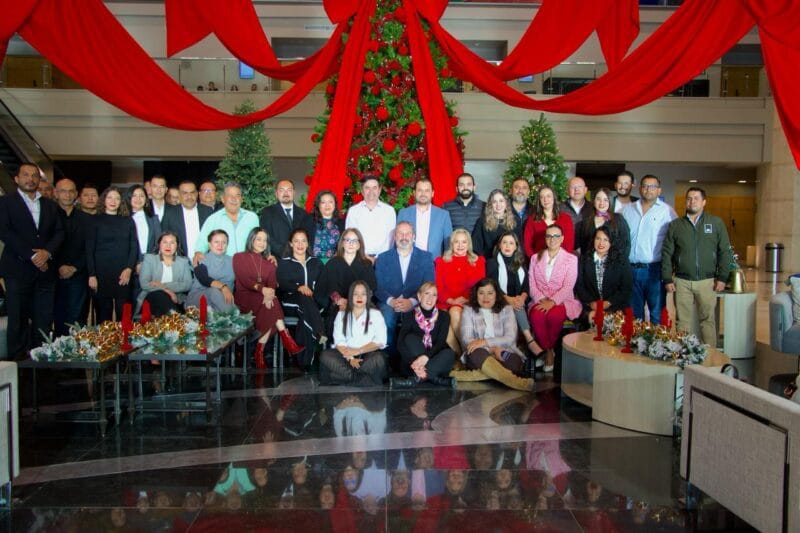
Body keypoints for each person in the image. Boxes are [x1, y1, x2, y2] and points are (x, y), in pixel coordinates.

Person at [0, 162, 64, 358]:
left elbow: (59, 232)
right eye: (26, 175)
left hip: (45, 271)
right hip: (17, 270)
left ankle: (41, 360)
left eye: (34, 175)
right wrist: (33, 255)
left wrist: (47, 252)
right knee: (18, 319)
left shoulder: (50, 205)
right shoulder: (5, 203)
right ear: (16, 179)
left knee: (43, 319)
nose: (30, 179)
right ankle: (18, 363)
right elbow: (5, 232)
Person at [662, 187, 732, 344]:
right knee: (682, 321)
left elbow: (725, 251)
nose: (692, 201)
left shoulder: (715, 223)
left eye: (696, 198)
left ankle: (710, 354)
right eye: (689, 198)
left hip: (707, 281)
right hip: (682, 281)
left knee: (707, 320)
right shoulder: (675, 225)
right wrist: (667, 278)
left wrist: (722, 277)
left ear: (704, 202)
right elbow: (667, 253)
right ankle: (683, 352)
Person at [233, 228, 304, 369]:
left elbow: (272, 285)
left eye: (265, 240)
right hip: (245, 297)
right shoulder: (239, 257)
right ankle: (286, 340)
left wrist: (269, 294)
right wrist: (263, 290)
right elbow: (244, 280)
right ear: (251, 239)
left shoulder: (269, 263)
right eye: (258, 239)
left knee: (272, 305)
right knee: (273, 306)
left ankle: (259, 351)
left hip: (264, 299)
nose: (262, 243)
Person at [459, 278, 534, 391]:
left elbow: (510, 338)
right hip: (479, 352)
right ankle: (518, 383)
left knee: (514, 363)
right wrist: (491, 350)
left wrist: (486, 342)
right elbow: (466, 338)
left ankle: (475, 376)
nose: (486, 297)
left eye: (490, 293)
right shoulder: (468, 310)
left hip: (503, 350)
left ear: (496, 294)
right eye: (481, 293)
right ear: (476, 294)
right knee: (476, 353)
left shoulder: (507, 309)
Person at [621, 174, 677, 324]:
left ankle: (657, 341)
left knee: (657, 315)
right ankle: (634, 340)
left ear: (659, 190)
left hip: (654, 270)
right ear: (640, 189)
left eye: (652, 186)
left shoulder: (667, 212)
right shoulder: (628, 210)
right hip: (630, 270)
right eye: (645, 186)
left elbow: (675, 241)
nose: (648, 189)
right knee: (633, 317)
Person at [374, 221, 435, 354]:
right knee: (386, 319)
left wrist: (412, 301)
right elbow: (377, 286)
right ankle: (388, 358)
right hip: (389, 302)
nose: (404, 237)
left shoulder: (426, 257)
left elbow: (429, 286)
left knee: (415, 323)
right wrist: (391, 301)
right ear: (395, 237)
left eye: (407, 233)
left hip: (416, 302)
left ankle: (413, 359)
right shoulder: (383, 258)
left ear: (413, 236)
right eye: (400, 233)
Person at [527, 224, 581, 372]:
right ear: (545, 239)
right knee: (537, 316)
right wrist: (541, 298)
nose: (552, 239)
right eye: (549, 236)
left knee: (554, 316)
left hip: (562, 301)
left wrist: (552, 302)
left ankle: (547, 352)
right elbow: (531, 283)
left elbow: (568, 286)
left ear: (562, 238)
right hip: (539, 299)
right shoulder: (535, 258)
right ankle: (549, 350)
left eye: (556, 236)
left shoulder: (571, 259)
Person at [486, 231, 543, 359]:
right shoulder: (492, 263)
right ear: (499, 245)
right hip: (498, 300)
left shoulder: (520, 263)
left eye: (511, 243)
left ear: (516, 246)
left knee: (517, 306)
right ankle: (529, 340)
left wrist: (522, 297)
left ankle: (521, 346)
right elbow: (492, 286)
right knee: (513, 308)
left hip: (518, 301)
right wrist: (508, 299)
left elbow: (526, 286)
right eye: (504, 242)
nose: (507, 246)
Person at [320, 281, 388, 387]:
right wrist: (351, 358)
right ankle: (362, 379)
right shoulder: (341, 314)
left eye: (363, 294)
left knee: (378, 359)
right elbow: (339, 341)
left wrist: (358, 350)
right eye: (356, 294)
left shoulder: (376, 314)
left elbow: (380, 341)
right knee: (325, 355)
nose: (359, 297)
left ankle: (345, 377)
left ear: (368, 296)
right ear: (350, 296)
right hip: (346, 355)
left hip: (367, 354)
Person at [276, 228, 327, 370]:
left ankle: (305, 362)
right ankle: (319, 330)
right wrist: (299, 287)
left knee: (305, 318)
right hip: (290, 302)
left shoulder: (316, 263)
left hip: (311, 306)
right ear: (291, 244)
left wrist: (315, 297)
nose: (300, 244)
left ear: (308, 243)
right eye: (296, 241)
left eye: (303, 241)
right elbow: (282, 283)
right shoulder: (284, 263)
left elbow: (323, 285)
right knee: (304, 300)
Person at [390, 282, 456, 389]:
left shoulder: (444, 316)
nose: (430, 298)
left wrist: (426, 357)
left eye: (434, 295)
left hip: (434, 360)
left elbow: (440, 342)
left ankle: (414, 380)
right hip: (412, 364)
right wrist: (415, 363)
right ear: (419, 296)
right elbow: (400, 343)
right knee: (410, 339)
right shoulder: (409, 315)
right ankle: (434, 378)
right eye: (427, 293)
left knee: (449, 354)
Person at [87, 186, 138, 323]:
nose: (113, 201)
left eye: (117, 198)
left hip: (123, 274)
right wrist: (91, 275)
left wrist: (129, 269)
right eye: (110, 197)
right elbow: (89, 250)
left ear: (121, 202)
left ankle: (125, 337)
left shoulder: (128, 221)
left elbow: (134, 247)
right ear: (104, 200)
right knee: (104, 317)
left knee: (124, 315)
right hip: (101, 274)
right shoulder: (94, 220)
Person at [316, 228, 377, 338]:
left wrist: (353, 303)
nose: (351, 244)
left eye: (354, 241)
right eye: (347, 240)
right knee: (337, 316)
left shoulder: (366, 264)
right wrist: (339, 300)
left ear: (359, 245)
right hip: (338, 305)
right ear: (342, 243)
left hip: (360, 303)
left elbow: (370, 289)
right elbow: (326, 287)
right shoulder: (332, 264)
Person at [435, 229, 486, 352]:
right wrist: (451, 300)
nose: (460, 245)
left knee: (454, 311)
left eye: (464, 242)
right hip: (445, 302)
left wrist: (467, 299)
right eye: (456, 242)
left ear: (469, 244)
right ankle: (461, 354)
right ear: (451, 244)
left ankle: (469, 351)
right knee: (440, 320)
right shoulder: (441, 261)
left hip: (468, 302)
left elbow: (481, 287)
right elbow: (438, 287)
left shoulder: (478, 261)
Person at [53, 178, 92, 336]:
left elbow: (89, 248)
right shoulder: (48, 216)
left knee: (78, 317)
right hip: (54, 274)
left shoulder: (86, 219)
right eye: (63, 191)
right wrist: (59, 266)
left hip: (79, 274)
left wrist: (75, 267)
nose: (67, 195)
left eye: (71, 191)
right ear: (56, 193)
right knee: (57, 316)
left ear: (76, 194)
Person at [575, 226, 633, 328]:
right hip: (591, 305)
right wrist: (591, 303)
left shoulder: (621, 260)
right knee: (592, 317)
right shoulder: (584, 259)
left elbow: (626, 289)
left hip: (615, 305)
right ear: (593, 240)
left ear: (611, 242)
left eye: (605, 239)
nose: (601, 243)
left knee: (609, 320)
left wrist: (608, 303)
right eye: (598, 238)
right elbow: (580, 285)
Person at [193, 181, 260, 263]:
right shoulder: (213, 219)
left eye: (237, 195)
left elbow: (259, 241)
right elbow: (202, 242)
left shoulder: (252, 217)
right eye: (229, 195)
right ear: (222, 199)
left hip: (248, 264)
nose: (234, 199)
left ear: (242, 199)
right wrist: (198, 252)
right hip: (223, 266)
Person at [136, 231, 193, 317]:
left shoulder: (183, 262)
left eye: (172, 243)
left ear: (177, 245)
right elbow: (144, 284)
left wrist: (161, 285)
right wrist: (166, 290)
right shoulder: (149, 259)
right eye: (165, 242)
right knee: (160, 295)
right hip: (152, 298)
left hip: (176, 299)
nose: (168, 246)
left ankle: (175, 320)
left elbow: (187, 285)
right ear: (159, 244)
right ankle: (176, 320)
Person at [397, 178, 453, 258]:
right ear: (414, 193)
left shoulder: (443, 215)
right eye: (420, 190)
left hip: (434, 261)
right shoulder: (403, 213)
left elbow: (449, 244)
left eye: (427, 191)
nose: (423, 194)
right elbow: (397, 239)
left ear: (432, 193)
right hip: (407, 260)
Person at [258, 179, 314, 257]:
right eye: (282, 190)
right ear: (276, 193)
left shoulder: (303, 213)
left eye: (289, 190)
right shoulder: (268, 212)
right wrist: (284, 252)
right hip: (277, 258)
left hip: (300, 257)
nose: (286, 193)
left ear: (294, 193)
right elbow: (266, 235)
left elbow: (307, 237)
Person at [345, 175, 396, 258]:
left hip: (383, 258)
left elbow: (391, 239)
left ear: (379, 190)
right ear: (362, 191)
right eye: (367, 188)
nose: (371, 191)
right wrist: (363, 256)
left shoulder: (389, 211)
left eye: (374, 188)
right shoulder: (353, 211)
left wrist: (378, 257)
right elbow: (350, 237)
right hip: (359, 258)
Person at [186, 229, 235, 312]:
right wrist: (223, 287)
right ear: (209, 244)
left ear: (227, 245)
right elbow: (204, 278)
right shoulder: (201, 259)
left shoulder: (232, 260)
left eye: (224, 242)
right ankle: (232, 315)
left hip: (224, 301)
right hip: (199, 298)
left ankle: (230, 314)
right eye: (216, 242)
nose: (220, 245)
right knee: (214, 291)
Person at [160, 180, 213, 258]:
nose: (189, 196)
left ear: (197, 194)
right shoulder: (170, 213)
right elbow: (163, 238)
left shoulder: (207, 212)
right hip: (179, 261)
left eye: (192, 192)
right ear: (179, 195)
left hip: (205, 259)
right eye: (185, 193)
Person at [574, 187, 630, 258]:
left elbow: (626, 244)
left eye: (605, 200)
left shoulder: (618, 219)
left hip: (613, 262)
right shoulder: (585, 223)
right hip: (590, 262)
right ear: (593, 201)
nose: (601, 203)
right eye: (598, 199)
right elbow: (579, 246)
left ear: (610, 201)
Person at [522, 185, 574, 258]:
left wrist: (562, 261)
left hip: (561, 261)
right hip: (538, 260)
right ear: (539, 201)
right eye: (542, 197)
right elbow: (527, 245)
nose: (545, 199)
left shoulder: (566, 219)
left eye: (548, 196)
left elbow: (569, 244)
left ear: (554, 198)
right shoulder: (532, 220)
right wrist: (535, 260)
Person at [472, 189, 517, 258]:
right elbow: (476, 247)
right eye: (494, 202)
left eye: (501, 201)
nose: (498, 204)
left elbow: (519, 246)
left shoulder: (515, 221)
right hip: (489, 260)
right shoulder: (482, 221)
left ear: (506, 203)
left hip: (511, 261)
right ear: (490, 205)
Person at [126, 184, 161, 265]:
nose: (138, 199)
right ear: (129, 198)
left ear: (146, 199)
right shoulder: (123, 219)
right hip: (128, 264)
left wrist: (147, 262)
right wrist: (135, 263)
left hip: (150, 263)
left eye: (141, 196)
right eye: (134, 196)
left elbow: (158, 243)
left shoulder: (154, 219)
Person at [308, 189, 345, 264]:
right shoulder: (309, 220)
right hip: (312, 263)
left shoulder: (341, 223)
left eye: (330, 202)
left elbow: (343, 246)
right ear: (318, 205)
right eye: (323, 202)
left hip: (333, 263)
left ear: (335, 204)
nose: (327, 205)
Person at [509, 177, 533, 243]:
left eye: (524, 188)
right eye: (516, 187)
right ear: (511, 190)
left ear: (528, 192)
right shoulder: (503, 210)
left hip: (529, 249)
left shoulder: (535, 211)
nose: (520, 191)